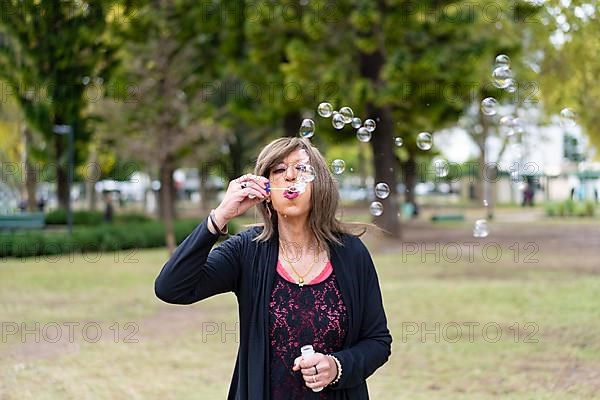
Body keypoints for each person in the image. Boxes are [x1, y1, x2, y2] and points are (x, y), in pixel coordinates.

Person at [155, 137, 392, 399]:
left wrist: (337, 366)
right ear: (266, 192)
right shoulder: (247, 251)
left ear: (320, 184)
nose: (290, 176)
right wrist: (220, 216)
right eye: (278, 170)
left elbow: (378, 341)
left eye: (301, 168)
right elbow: (171, 288)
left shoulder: (351, 253)